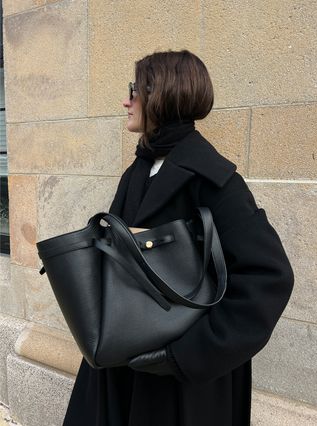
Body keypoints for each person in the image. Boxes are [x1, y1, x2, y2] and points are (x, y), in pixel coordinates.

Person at [63, 50, 294, 426]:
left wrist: (184, 356)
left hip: (182, 386)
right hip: (122, 366)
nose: (126, 100)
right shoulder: (137, 172)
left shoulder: (214, 179)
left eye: (134, 90)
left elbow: (268, 278)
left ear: (162, 95)